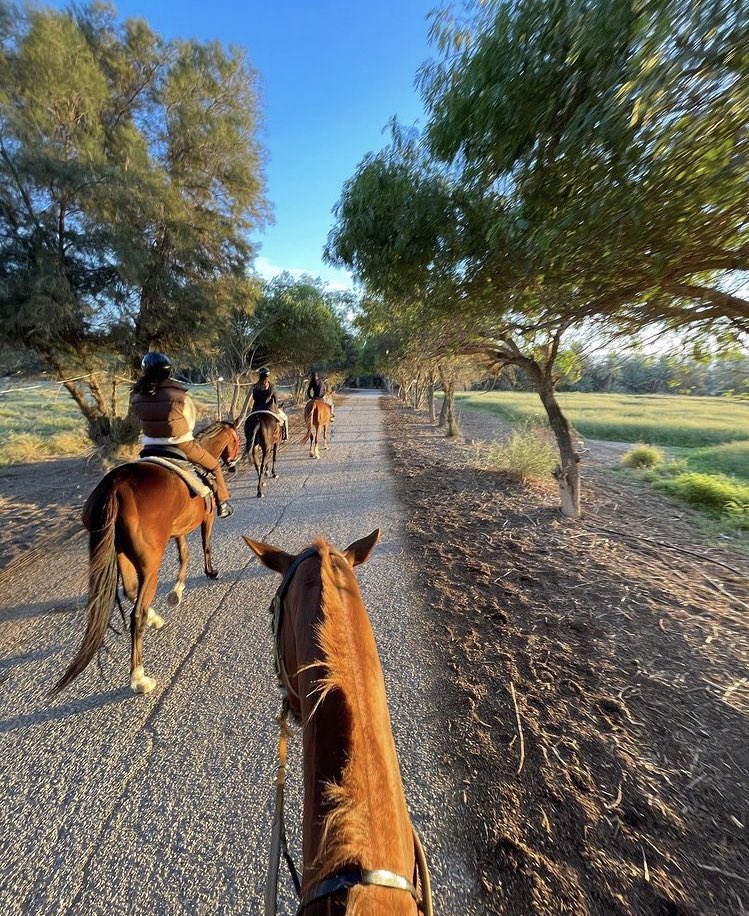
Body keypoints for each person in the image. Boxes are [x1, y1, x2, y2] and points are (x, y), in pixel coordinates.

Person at [131, 352, 233, 518]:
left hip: (149, 447)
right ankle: (222, 503)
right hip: (181, 445)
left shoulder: (137, 397)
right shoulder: (180, 396)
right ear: (168, 371)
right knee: (215, 466)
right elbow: (190, 424)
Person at [250, 367, 288, 440]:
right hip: (269, 409)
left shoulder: (255, 386)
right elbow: (275, 399)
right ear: (268, 375)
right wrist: (278, 406)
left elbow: (254, 398)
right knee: (284, 418)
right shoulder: (272, 386)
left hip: (256, 409)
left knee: (249, 422)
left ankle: (249, 438)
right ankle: (285, 437)